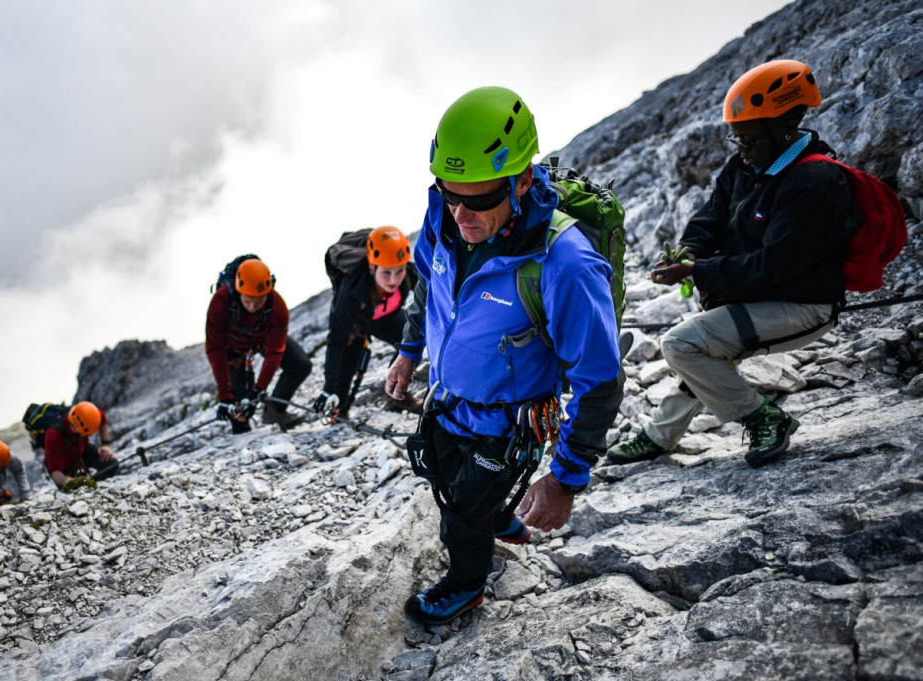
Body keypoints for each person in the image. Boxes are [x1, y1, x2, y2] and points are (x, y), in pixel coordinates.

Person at [386, 86, 623, 625]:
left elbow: (601, 380)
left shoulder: (564, 264)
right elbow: (429, 284)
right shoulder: (443, 221)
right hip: (448, 400)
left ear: (521, 181)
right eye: (451, 194)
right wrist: (407, 352)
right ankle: (501, 516)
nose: (462, 214)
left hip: (509, 423)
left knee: (459, 518)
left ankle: (467, 583)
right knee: (443, 476)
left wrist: (565, 479)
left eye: (481, 199)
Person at [606, 59, 858, 469]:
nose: (741, 150)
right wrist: (689, 250)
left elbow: (773, 266)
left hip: (803, 303)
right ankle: (659, 436)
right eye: (736, 140)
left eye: (749, 139)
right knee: (704, 348)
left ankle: (763, 418)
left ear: (787, 125)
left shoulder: (815, 184)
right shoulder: (748, 162)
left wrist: (697, 272)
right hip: (758, 297)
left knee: (682, 344)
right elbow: (712, 215)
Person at [315, 226, 419, 419]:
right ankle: (337, 411)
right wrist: (328, 389)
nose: (394, 280)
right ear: (372, 267)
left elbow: (431, 294)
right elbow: (336, 342)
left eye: (399, 271)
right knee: (346, 371)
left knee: (414, 333)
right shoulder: (351, 292)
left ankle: (397, 396)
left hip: (385, 319)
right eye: (386, 273)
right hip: (356, 324)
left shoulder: (410, 273)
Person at [206, 257, 312, 433]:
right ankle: (242, 436)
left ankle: (275, 411)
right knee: (238, 407)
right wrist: (225, 396)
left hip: (262, 339)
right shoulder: (220, 301)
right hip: (232, 349)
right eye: (247, 301)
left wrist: (259, 389)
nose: (253, 307)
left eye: (259, 300)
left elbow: (275, 352)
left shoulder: (277, 305)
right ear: (238, 291)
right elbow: (215, 350)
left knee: (300, 365)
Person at [45, 401, 120, 487]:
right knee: (72, 490)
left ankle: (92, 484)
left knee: (111, 464)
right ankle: (87, 485)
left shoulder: (88, 413)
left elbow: (102, 418)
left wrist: (106, 445)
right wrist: (70, 482)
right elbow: (55, 472)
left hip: (82, 450)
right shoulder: (53, 435)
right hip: (64, 465)